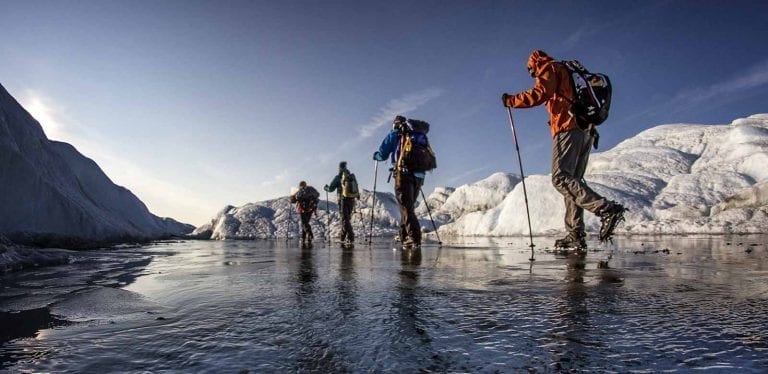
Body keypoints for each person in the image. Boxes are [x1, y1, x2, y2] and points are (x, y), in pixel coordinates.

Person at [502, 49, 625, 249]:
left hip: (567, 127)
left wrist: (511, 101)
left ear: (534, 64)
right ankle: (575, 233)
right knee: (572, 181)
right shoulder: (567, 71)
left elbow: (541, 93)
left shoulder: (549, 67)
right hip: (585, 130)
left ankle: (606, 209)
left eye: (531, 71)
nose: (533, 75)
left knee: (560, 178)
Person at [373, 116, 425, 249]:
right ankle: (404, 236)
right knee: (407, 207)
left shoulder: (395, 134)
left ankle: (414, 238)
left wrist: (376, 156)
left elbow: (383, 154)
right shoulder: (415, 134)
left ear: (395, 124)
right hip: (419, 176)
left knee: (405, 207)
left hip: (403, 174)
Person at [324, 161, 359, 248]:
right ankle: (343, 238)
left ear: (339, 168)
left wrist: (326, 188)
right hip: (351, 200)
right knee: (346, 219)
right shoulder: (351, 176)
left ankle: (351, 236)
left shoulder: (338, 177)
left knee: (344, 219)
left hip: (343, 200)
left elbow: (331, 189)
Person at [290, 181, 319, 248]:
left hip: (302, 209)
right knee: (305, 223)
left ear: (300, 186)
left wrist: (292, 198)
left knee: (304, 223)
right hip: (310, 208)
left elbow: (294, 201)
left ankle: (310, 235)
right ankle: (305, 239)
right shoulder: (311, 189)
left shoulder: (298, 191)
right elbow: (318, 194)